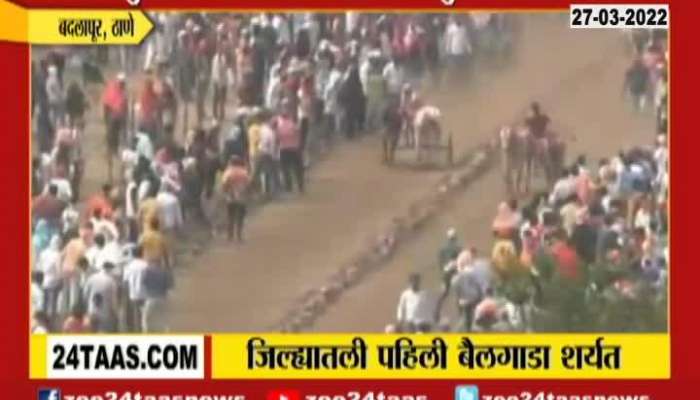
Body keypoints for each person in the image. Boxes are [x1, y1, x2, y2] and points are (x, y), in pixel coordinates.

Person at [274, 103, 305, 194]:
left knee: (286, 169)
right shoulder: (293, 122)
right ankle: (299, 186)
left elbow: (277, 137)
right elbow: (298, 134)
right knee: (296, 169)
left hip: (285, 149)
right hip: (293, 148)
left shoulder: (278, 123)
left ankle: (290, 187)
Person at [220, 155, 252, 242]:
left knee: (230, 217)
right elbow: (248, 184)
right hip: (242, 197)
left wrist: (225, 193)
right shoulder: (244, 172)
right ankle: (239, 236)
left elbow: (224, 184)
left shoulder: (228, 172)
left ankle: (230, 236)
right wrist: (248, 194)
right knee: (240, 217)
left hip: (230, 197)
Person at [83, 261, 119, 332]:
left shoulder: (92, 278)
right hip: (104, 312)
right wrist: (115, 313)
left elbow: (85, 294)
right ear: (110, 270)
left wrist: (85, 308)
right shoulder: (111, 281)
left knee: (91, 332)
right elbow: (113, 300)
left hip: (92, 310)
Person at [141, 257, 174, 333]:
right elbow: (169, 286)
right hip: (162, 297)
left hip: (150, 298)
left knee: (145, 318)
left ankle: (145, 333)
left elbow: (143, 283)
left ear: (153, 263)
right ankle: (167, 332)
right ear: (160, 263)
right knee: (164, 318)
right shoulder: (165, 272)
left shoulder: (147, 271)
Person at [123, 245, 148, 332]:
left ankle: (137, 332)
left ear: (133, 255)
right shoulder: (146, 265)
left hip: (133, 294)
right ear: (142, 254)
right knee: (145, 316)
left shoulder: (129, 266)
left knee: (136, 316)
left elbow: (125, 282)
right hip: (145, 293)